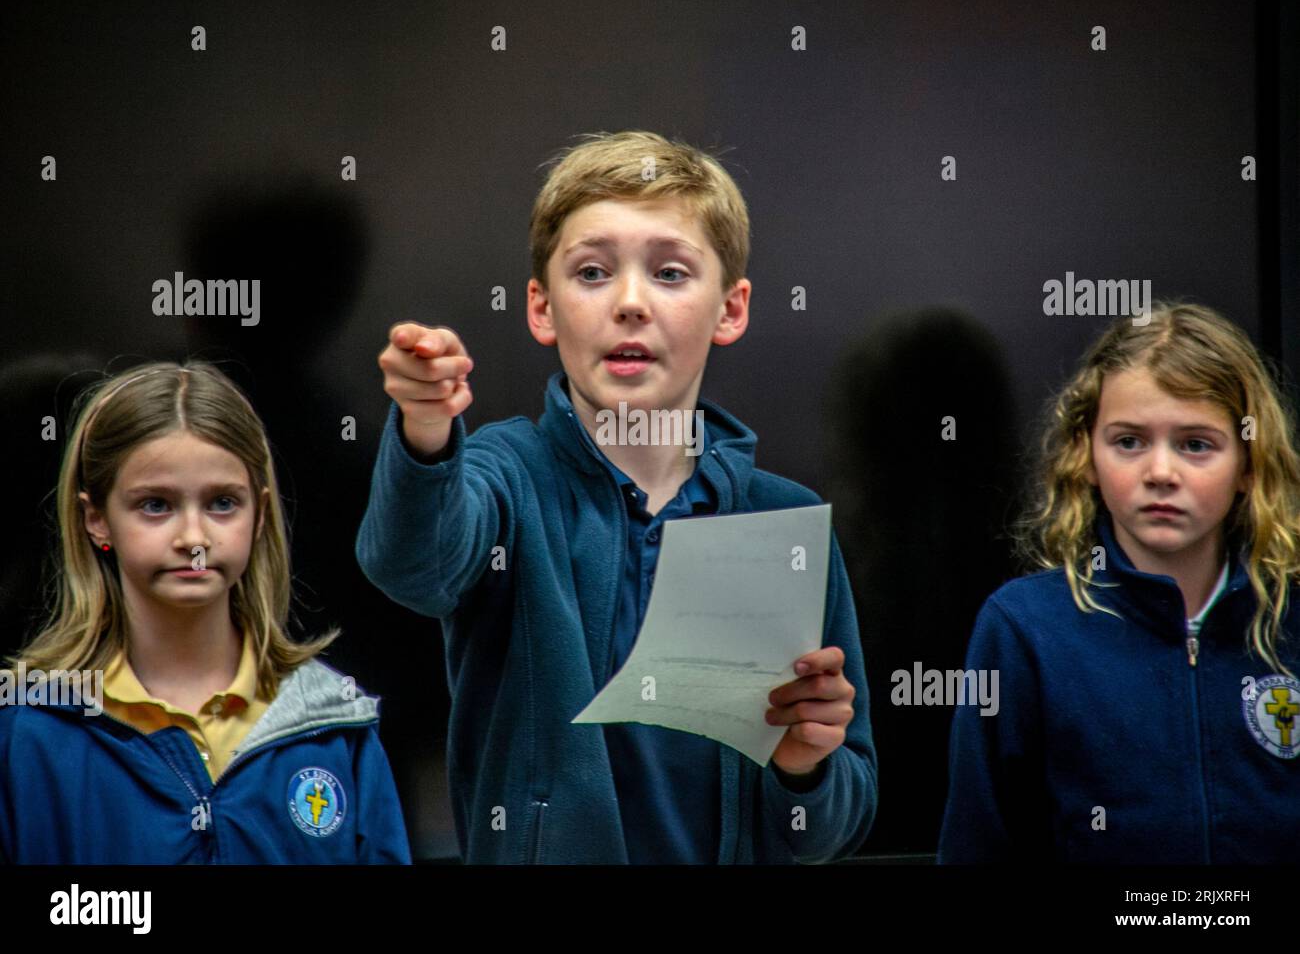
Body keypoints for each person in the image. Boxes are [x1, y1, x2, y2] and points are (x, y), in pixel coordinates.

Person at [355, 129, 877, 863]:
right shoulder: (506, 475)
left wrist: (804, 765)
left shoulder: (783, 520)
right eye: (593, 272)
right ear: (541, 308)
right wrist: (427, 427)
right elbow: (413, 565)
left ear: (731, 308)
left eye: (669, 273)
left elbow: (831, 826)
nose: (630, 302)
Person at [0, 361, 410, 863]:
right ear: (96, 519)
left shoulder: (335, 728)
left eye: (221, 503)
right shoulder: (30, 736)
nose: (193, 538)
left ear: (259, 515)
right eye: (155, 505)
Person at [939, 302, 1300, 862]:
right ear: (1086, 455)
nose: (1160, 472)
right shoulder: (1025, 630)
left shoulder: (1292, 618)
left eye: (1196, 444)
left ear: (1249, 464)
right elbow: (977, 847)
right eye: (1129, 441)